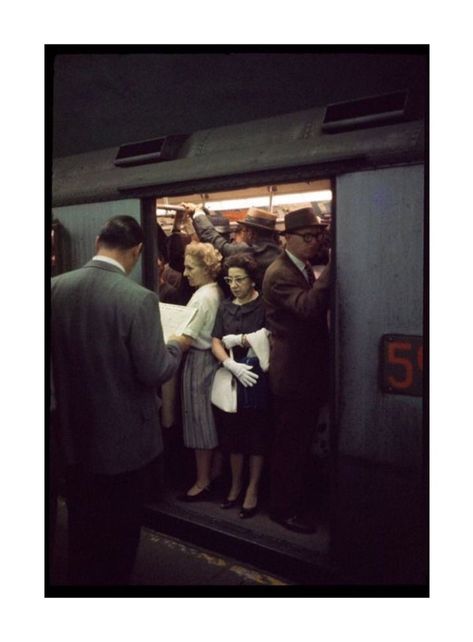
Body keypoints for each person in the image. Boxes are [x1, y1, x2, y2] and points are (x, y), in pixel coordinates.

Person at [51, 215, 188, 585]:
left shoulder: (54, 288)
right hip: (124, 446)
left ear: (98, 241)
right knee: (120, 536)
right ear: (138, 251)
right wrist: (176, 346)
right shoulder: (138, 299)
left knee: (82, 528)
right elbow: (154, 370)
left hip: (73, 438)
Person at [262, 207, 331, 534]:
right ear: (286, 239)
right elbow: (308, 307)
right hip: (292, 376)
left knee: (300, 443)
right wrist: (333, 269)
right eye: (307, 238)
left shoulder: (299, 267)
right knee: (290, 446)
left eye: (318, 237)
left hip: (305, 372)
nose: (314, 243)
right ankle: (282, 509)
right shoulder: (279, 273)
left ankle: (296, 502)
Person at [211, 254, 271, 519]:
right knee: (233, 436)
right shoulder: (225, 307)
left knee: (257, 435)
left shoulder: (264, 306)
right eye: (229, 280)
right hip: (234, 375)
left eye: (239, 279)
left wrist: (244, 340)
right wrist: (228, 364)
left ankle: (252, 489)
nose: (234, 285)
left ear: (252, 280)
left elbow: (271, 337)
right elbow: (215, 340)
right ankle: (235, 485)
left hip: (257, 376)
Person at [178, 242, 224, 501]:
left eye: (189, 267)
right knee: (211, 420)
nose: (185, 273)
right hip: (212, 360)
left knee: (199, 421)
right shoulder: (215, 291)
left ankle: (201, 480)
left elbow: (187, 336)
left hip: (199, 360)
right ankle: (214, 474)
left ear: (206, 269)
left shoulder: (201, 297)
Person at [182, 202, 282, 290]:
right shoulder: (279, 252)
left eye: (244, 230)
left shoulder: (249, 251)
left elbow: (215, 240)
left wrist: (198, 213)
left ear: (251, 234)